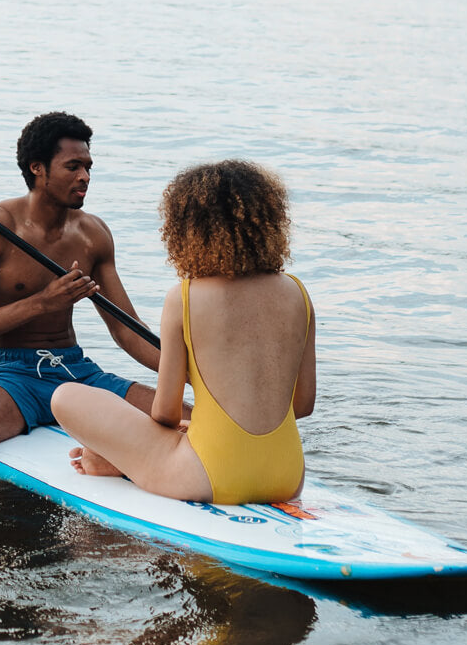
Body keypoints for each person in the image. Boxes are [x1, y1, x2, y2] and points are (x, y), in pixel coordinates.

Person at [51, 160, 316, 504]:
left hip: (208, 476)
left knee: (66, 396)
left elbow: (165, 413)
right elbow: (303, 405)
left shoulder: (186, 296)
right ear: (268, 222)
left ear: (188, 230)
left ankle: (122, 464)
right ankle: (128, 460)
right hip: (287, 476)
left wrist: (176, 432)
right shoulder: (298, 292)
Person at [0, 112, 161, 467]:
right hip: (12, 375)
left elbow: (127, 330)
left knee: (189, 420)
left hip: (78, 372)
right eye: (73, 166)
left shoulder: (93, 234)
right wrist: (42, 302)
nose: (85, 177)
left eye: (88, 166)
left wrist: (194, 376)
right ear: (37, 167)